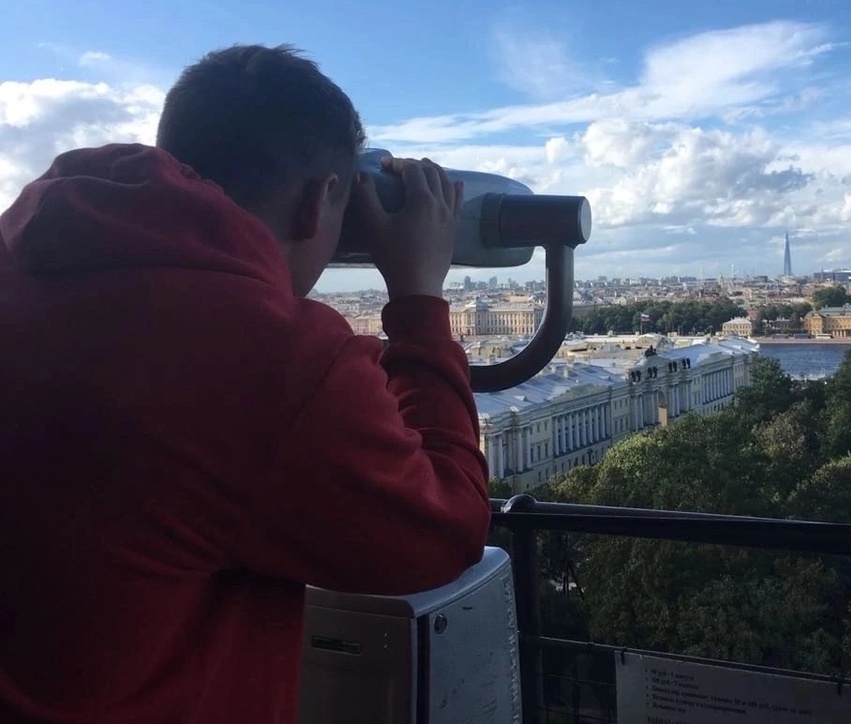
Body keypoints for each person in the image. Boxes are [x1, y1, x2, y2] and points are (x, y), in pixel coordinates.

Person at [0, 45, 491, 723]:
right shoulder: (279, 360)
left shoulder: (23, 267)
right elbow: (444, 533)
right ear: (319, 201)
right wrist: (419, 301)